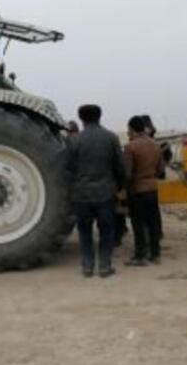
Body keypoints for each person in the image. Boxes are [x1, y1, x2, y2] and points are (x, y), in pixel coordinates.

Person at [67, 105, 125, 278]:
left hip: (81, 194)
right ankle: (105, 266)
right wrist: (120, 186)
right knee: (107, 231)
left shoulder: (74, 140)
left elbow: (67, 167)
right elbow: (119, 167)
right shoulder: (111, 138)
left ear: (81, 118)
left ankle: (87, 266)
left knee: (85, 231)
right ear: (100, 116)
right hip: (105, 193)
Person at [123, 116, 165, 265]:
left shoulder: (130, 147)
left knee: (138, 224)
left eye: (128, 129)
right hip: (152, 189)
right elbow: (161, 170)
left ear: (132, 129)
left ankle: (140, 255)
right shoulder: (155, 145)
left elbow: (127, 173)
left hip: (137, 190)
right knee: (153, 222)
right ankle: (155, 254)